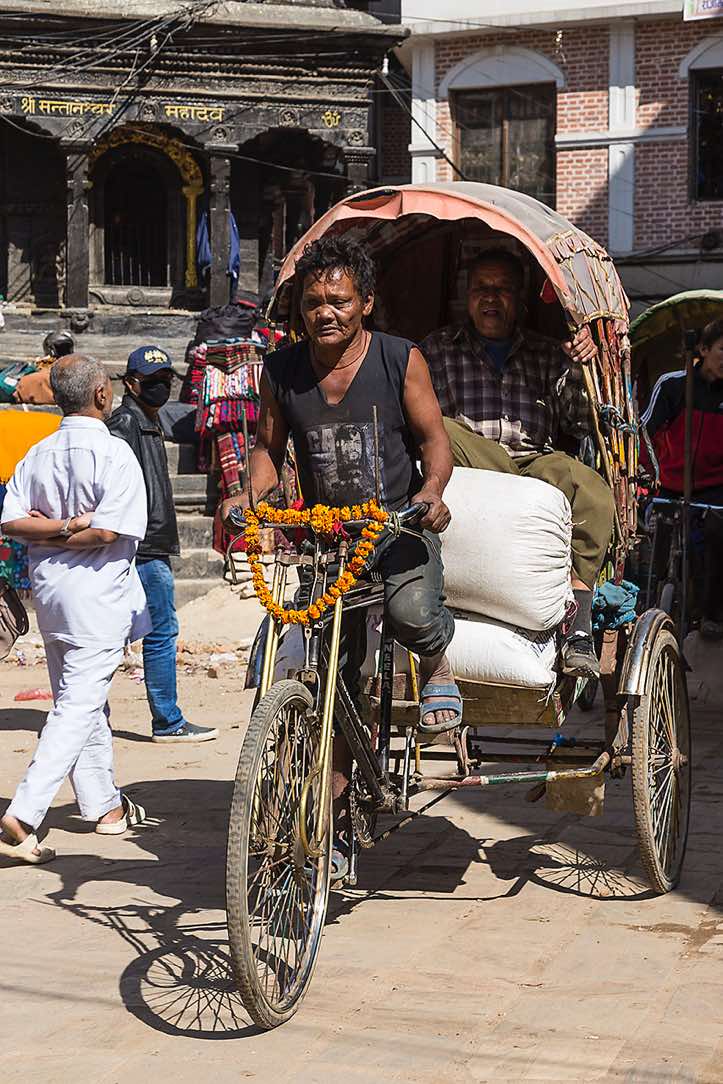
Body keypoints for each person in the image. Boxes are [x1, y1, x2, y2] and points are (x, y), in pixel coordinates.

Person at [221, 235, 457, 879]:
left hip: (399, 527)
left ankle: (438, 664)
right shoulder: (282, 371)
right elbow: (269, 449)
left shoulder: (399, 359)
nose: (326, 312)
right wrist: (251, 492)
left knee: (411, 614)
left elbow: (436, 443)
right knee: (336, 679)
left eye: (340, 300)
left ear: (366, 304)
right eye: (313, 300)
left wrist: (432, 493)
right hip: (329, 542)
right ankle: (335, 818)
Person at [422, 249, 616, 678]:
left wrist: (584, 367)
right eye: (481, 289)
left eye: (502, 289)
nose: (491, 299)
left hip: (531, 466)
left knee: (588, 486)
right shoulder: (437, 349)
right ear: (466, 297)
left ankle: (577, 619)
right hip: (469, 461)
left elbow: (581, 422)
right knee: (442, 428)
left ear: (521, 298)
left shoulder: (546, 353)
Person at [0, 354, 150, 864]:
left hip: (51, 594)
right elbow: (109, 530)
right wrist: (73, 527)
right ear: (102, 395)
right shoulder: (116, 455)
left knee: (81, 697)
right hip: (97, 596)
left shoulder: (37, 453)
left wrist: (54, 529)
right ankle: (23, 815)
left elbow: (14, 521)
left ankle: (104, 807)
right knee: (78, 705)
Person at [107, 346, 218, 743]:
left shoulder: (149, 420)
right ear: (131, 384)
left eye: (165, 380)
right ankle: (168, 721)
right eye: (152, 382)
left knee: (143, 631)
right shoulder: (125, 423)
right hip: (142, 546)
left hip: (149, 542)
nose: (161, 388)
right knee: (159, 631)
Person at [642, 318, 723, 639]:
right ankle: (650, 601)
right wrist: (647, 475)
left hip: (715, 490)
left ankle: (711, 613)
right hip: (669, 485)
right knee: (658, 548)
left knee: (717, 536)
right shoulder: (673, 385)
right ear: (703, 350)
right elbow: (644, 434)